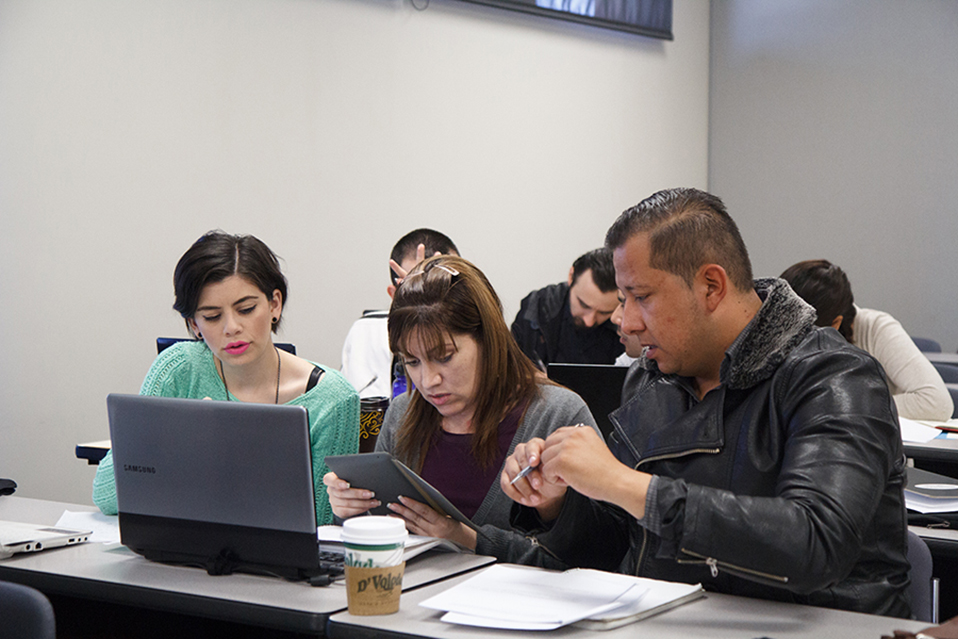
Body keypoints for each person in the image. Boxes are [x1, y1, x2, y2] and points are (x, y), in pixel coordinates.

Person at [501, 188, 911, 618]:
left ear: (711, 286)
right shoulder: (649, 378)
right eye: (623, 300)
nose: (625, 321)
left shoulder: (835, 376)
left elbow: (814, 544)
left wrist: (623, 485)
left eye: (642, 296)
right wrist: (557, 500)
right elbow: (619, 546)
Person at [324, 255, 599, 557]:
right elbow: (385, 539)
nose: (428, 381)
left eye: (444, 356)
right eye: (411, 362)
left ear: (488, 339)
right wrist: (350, 511)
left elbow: (592, 556)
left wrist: (467, 539)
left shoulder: (557, 415)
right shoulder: (402, 415)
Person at [92, 231, 360, 526]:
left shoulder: (332, 399)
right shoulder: (179, 369)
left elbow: (319, 526)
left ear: (274, 305)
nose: (231, 328)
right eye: (211, 317)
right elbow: (105, 495)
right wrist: (178, 443)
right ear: (193, 324)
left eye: (246, 310)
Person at [781, 259, 953, 422]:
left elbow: (936, 403)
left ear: (835, 324)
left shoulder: (877, 328)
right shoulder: (776, 325)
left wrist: (840, 407)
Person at [340, 229, 459, 399]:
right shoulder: (366, 333)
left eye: (444, 286)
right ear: (394, 296)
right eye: (413, 286)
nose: (427, 302)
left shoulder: (477, 329)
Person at [511, 248, 623, 370]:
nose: (589, 321)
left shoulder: (629, 323)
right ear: (571, 277)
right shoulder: (537, 309)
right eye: (583, 305)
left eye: (604, 312)